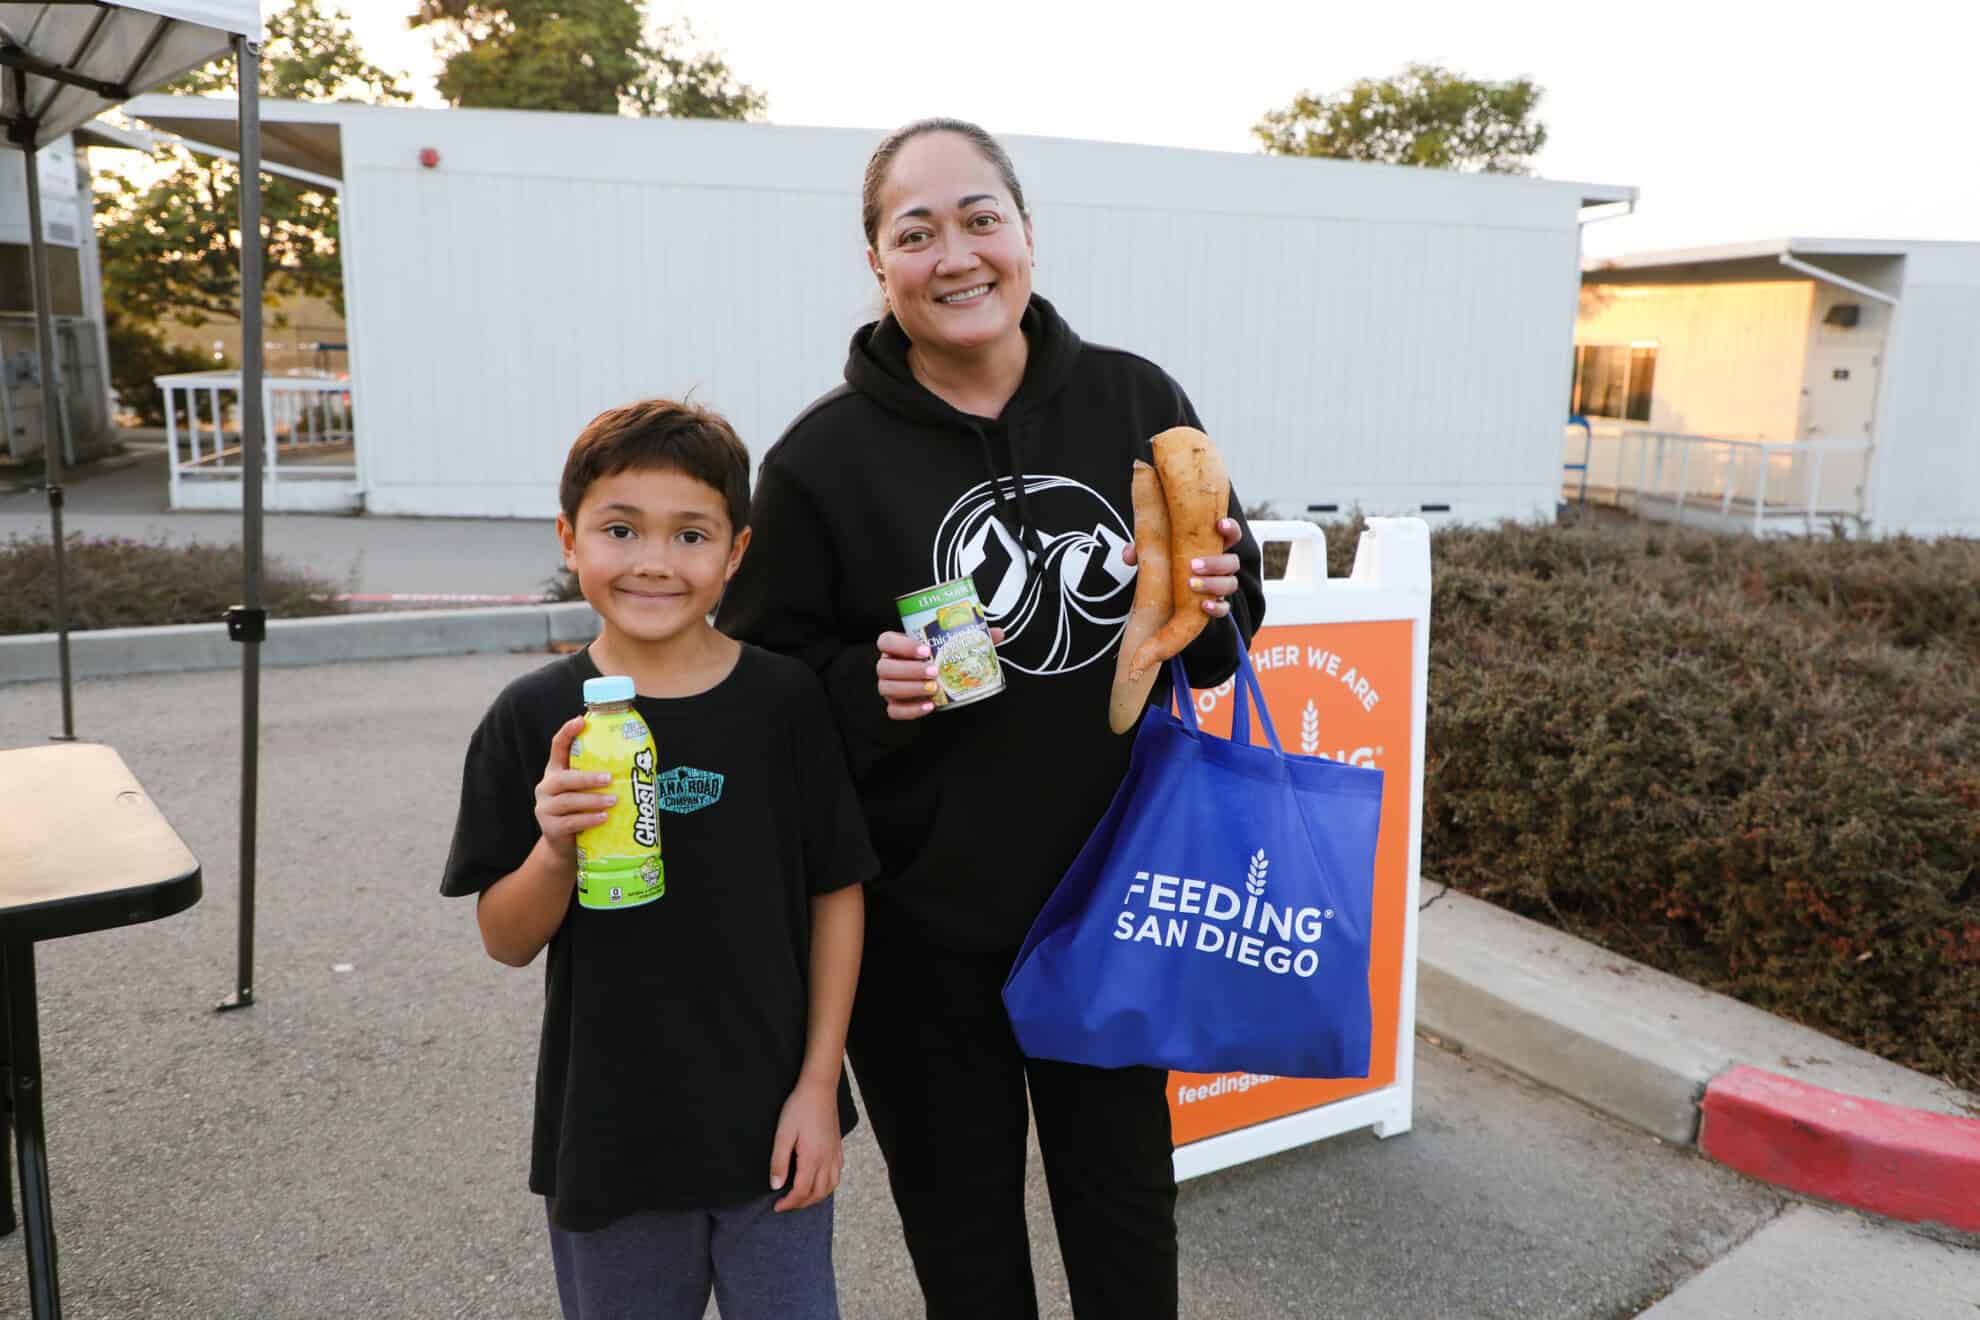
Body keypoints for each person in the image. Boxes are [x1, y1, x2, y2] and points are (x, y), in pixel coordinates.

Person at [717, 118, 1266, 1319]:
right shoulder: (821, 461)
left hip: (1113, 900)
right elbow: (762, 685)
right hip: (918, 936)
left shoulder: (1138, 399)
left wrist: (1217, 595)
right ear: (878, 263)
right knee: (965, 1247)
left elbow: (1225, 625)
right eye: (916, 232)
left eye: (979, 219)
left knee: (1126, 1225)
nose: (954, 254)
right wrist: (869, 685)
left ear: (1026, 234)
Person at [441, 398, 872, 1320]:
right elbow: (505, 940)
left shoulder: (785, 702)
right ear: (570, 538)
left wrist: (818, 1089)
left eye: (690, 534)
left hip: (775, 1128)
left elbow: (837, 893)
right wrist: (555, 850)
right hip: (608, 1132)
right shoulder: (532, 718)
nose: (652, 561)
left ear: (737, 553)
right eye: (620, 528)